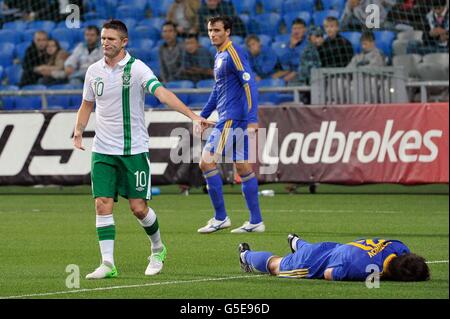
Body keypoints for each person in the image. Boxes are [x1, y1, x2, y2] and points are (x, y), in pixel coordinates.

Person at [73, 19, 211, 279]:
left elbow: (162, 94)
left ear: (124, 42)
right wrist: (79, 130)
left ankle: (158, 249)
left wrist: (192, 116)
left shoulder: (137, 69)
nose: (105, 43)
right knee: (102, 204)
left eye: (111, 39)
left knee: (138, 208)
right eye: (103, 38)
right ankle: (107, 263)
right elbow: (87, 104)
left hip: (133, 150)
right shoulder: (93, 70)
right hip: (103, 150)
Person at [197, 16, 264, 234]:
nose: (212, 34)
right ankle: (256, 221)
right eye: (210, 30)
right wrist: (203, 115)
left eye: (217, 30)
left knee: (206, 163)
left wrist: (253, 118)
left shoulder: (233, 53)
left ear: (228, 32)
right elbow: (218, 91)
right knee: (243, 167)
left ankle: (220, 218)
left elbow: (249, 85)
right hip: (231, 118)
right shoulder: (219, 56)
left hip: (233, 119)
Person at [239, 234, 430, 282]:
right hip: (314, 262)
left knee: (318, 251)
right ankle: (245, 255)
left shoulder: (398, 246)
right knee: (276, 266)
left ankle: (297, 242)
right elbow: (329, 273)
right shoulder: (362, 269)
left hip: (335, 247)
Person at [272, 18, 308, 84]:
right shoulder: (288, 44)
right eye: (294, 28)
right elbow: (284, 61)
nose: (296, 31)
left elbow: (303, 63)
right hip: (288, 72)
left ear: (305, 30)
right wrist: (292, 47)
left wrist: (294, 73)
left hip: (303, 75)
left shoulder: (308, 44)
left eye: (299, 28)